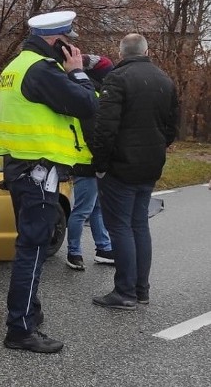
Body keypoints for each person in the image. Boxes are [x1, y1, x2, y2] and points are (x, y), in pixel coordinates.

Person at [0, 10, 98, 353]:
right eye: (70, 44)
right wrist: (78, 72)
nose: (73, 50)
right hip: (38, 171)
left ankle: (29, 312)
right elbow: (87, 104)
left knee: (29, 244)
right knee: (34, 248)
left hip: (20, 168)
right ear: (58, 41)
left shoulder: (16, 66)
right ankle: (20, 329)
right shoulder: (42, 70)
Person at [90, 33, 179, 309]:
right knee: (139, 224)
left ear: (121, 53)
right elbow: (173, 127)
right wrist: (156, 148)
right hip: (151, 164)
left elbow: (105, 127)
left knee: (120, 227)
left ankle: (124, 292)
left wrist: (100, 164)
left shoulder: (116, 79)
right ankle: (141, 289)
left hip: (120, 166)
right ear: (146, 50)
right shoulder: (165, 80)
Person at [65, 54, 115, 271]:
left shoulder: (83, 91)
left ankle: (103, 248)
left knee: (96, 208)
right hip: (87, 160)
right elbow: (93, 134)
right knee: (83, 209)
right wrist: (103, 161)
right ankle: (73, 252)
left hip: (85, 158)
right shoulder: (90, 96)